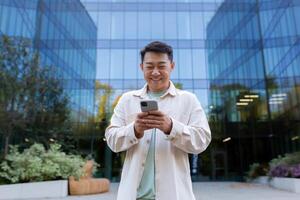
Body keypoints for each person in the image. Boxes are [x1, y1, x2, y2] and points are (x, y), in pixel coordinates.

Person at [105, 41, 211, 200]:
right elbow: (112, 140)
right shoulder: (127, 100)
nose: (155, 72)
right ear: (142, 67)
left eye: (161, 66)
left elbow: (202, 140)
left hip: (175, 195)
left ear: (172, 66)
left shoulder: (189, 100)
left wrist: (171, 127)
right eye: (149, 66)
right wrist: (134, 130)